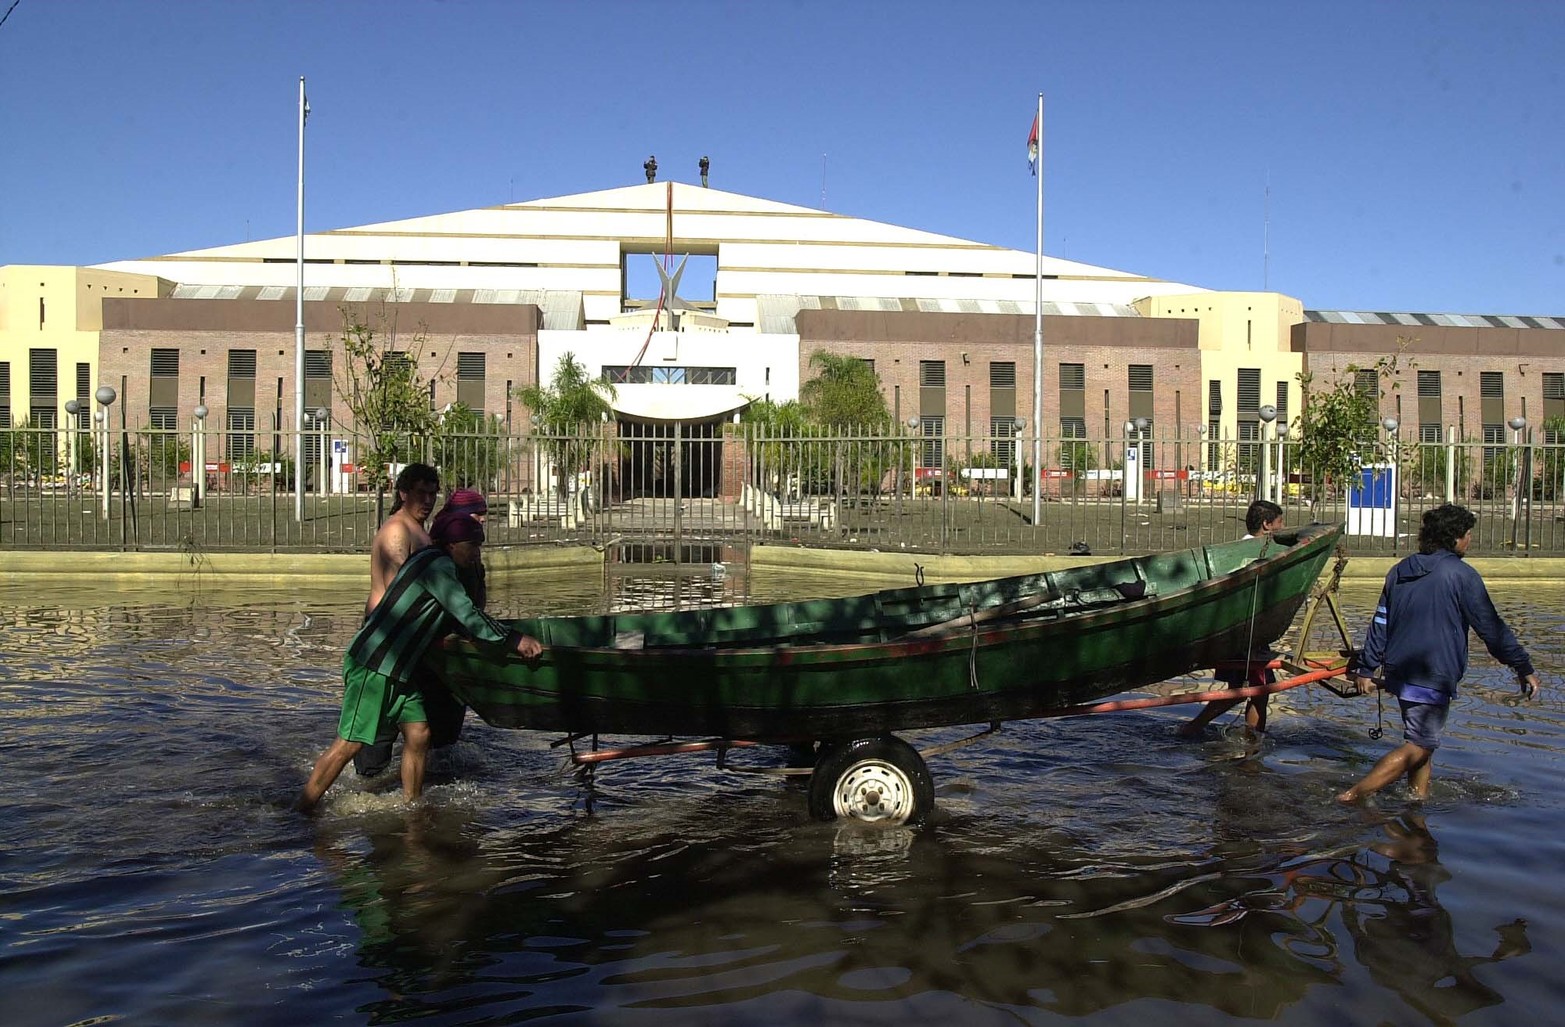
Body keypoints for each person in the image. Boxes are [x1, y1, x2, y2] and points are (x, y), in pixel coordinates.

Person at [298, 514, 542, 811]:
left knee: (419, 733)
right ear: (452, 545)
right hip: (374, 664)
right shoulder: (440, 568)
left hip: (398, 669)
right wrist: (514, 639)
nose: (476, 553)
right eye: (472, 546)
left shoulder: (429, 558)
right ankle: (302, 810)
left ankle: (411, 807)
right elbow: (467, 614)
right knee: (350, 743)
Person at [1336, 503, 1540, 803]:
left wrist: (1368, 667)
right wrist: (1523, 666)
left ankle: (1416, 801)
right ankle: (1353, 796)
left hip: (1400, 670)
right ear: (1454, 537)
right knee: (1420, 745)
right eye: (1468, 534)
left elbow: (1380, 622)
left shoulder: (1400, 569)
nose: (1470, 540)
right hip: (1433, 673)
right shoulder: (1462, 575)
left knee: (1421, 742)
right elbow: (1491, 629)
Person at [353, 486, 491, 777]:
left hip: (443, 649)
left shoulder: (465, 554)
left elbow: (473, 605)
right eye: (476, 515)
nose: (481, 520)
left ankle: (423, 781)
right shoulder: (432, 553)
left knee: (428, 728)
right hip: (403, 648)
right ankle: (368, 776)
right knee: (378, 724)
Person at [1178, 499, 1286, 737]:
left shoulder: (1241, 551)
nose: (1282, 527)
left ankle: (1251, 737)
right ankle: (1196, 729)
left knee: (1255, 691)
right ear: (1267, 525)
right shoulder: (1252, 552)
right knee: (1249, 690)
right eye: (1279, 522)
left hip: (1247, 632)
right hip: (1244, 635)